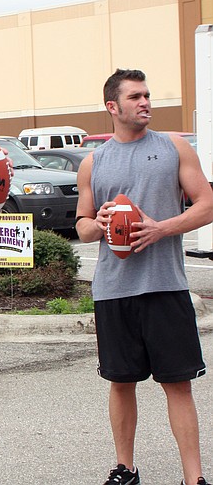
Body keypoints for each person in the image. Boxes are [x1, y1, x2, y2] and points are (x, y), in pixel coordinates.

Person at [75, 69, 213, 485]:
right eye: (135, 96)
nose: (145, 102)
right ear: (112, 107)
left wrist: (161, 228)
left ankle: (194, 478)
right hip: (114, 290)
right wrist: (98, 224)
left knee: (178, 385)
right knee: (120, 383)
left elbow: (206, 205)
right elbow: (81, 227)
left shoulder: (173, 147)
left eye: (148, 95)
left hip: (165, 286)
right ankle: (125, 468)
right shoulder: (93, 162)